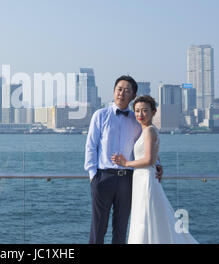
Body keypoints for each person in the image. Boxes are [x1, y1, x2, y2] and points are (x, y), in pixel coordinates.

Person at [84, 75, 163, 244]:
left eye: (127, 91)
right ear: (113, 91)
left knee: (121, 228)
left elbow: (146, 145)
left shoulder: (137, 119)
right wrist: (93, 177)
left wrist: (157, 164)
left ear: (133, 96)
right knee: (98, 228)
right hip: (103, 177)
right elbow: (91, 146)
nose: (122, 93)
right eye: (119, 89)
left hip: (128, 179)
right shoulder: (100, 115)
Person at [111, 95, 198, 243]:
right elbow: (154, 157)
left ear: (154, 112)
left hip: (145, 179)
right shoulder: (148, 130)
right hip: (142, 178)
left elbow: (148, 159)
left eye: (145, 110)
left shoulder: (149, 131)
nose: (140, 114)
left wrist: (126, 163)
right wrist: (158, 164)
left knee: (144, 218)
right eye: (137, 111)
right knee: (147, 218)